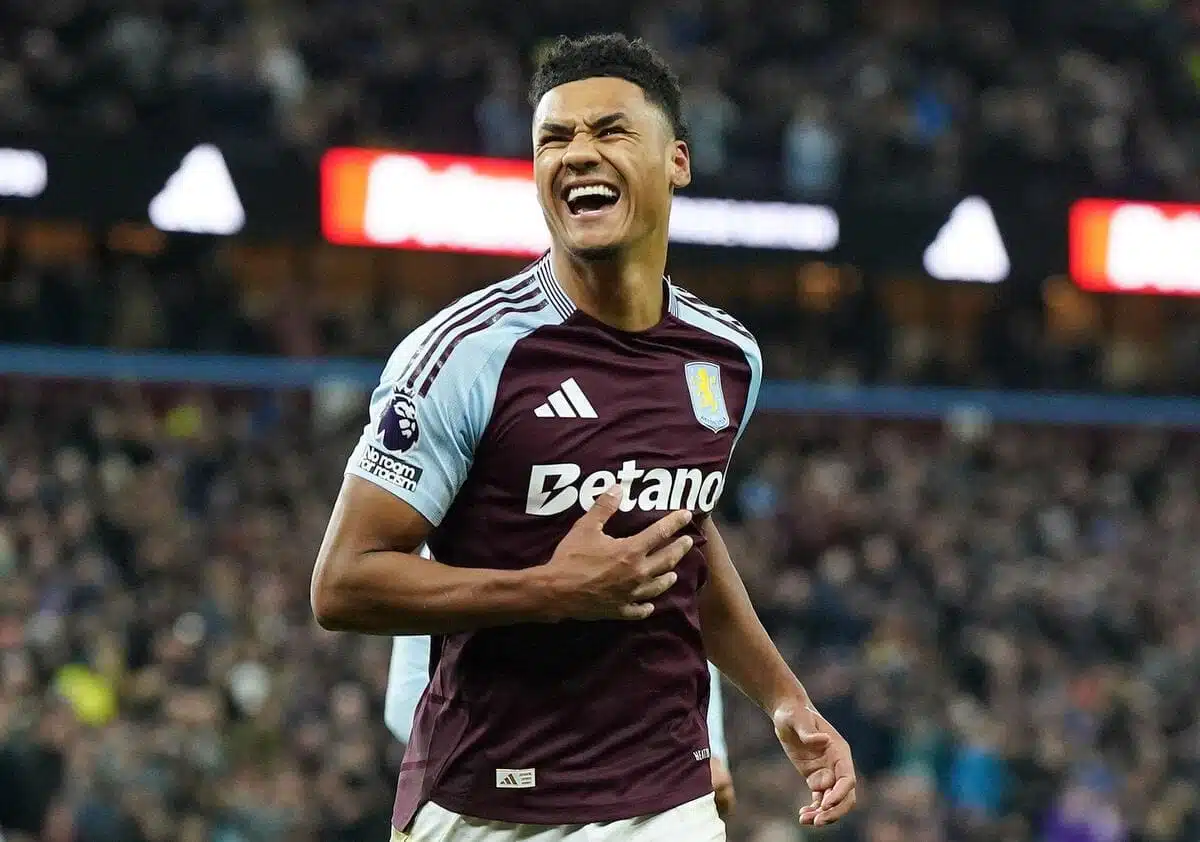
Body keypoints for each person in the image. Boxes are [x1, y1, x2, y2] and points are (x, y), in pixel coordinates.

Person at [311, 32, 857, 842]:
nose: (577, 154)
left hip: (667, 798)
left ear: (677, 161)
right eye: (554, 139)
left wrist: (785, 698)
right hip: (492, 806)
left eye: (609, 131)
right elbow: (342, 585)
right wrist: (551, 590)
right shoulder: (466, 354)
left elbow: (685, 538)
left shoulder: (727, 357)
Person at [383, 633, 738, 817]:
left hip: (640, 796)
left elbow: (684, 632)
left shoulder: (647, 522)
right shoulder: (461, 539)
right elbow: (406, 699)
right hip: (504, 805)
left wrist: (709, 747)